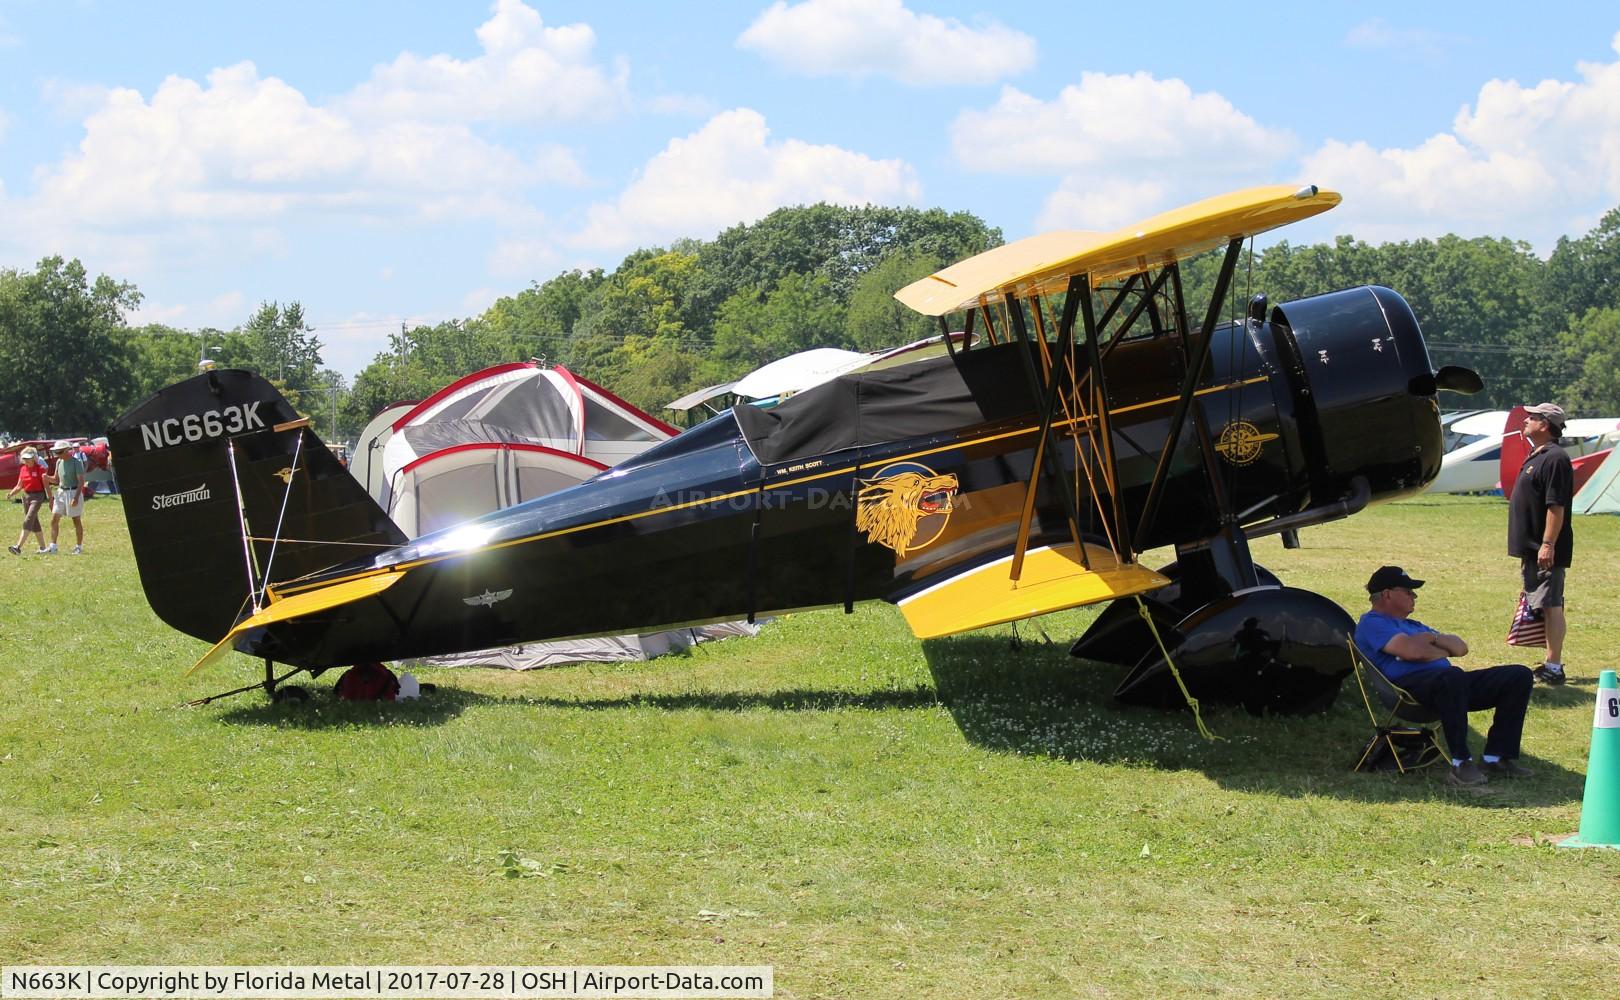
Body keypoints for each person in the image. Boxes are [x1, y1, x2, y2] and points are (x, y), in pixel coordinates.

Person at [1353, 565, 1533, 787]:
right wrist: (1430, 646)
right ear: (1387, 594)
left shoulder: (1413, 625)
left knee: (1518, 676)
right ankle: (1460, 763)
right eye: (1408, 591)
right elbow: (1414, 652)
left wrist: (1429, 640)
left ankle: (1496, 757)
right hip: (1409, 692)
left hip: (1449, 685)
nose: (1414, 596)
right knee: (1452, 675)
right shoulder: (1372, 623)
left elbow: (1460, 648)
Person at [1508, 402, 1574, 685]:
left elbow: (1555, 506)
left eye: (1532, 417)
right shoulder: (1539, 454)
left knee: (1551, 603)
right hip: (1533, 548)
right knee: (1541, 602)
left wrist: (1548, 544)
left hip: (1545, 548)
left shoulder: (1556, 458)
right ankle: (1549, 660)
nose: (1525, 420)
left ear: (1545, 424)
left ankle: (1554, 666)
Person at [6, 446, 50, 554]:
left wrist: (51, 499)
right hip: (26, 497)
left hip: (38, 496)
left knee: (28, 519)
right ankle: (43, 547)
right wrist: (11, 494)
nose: (26, 460)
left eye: (29, 458)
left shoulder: (40, 469)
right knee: (34, 522)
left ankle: (18, 547)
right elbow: (19, 485)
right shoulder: (23, 469)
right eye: (24, 458)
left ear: (34, 458)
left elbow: (46, 486)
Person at [47, 440, 86, 555]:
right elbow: (56, 480)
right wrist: (46, 477)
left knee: (76, 520)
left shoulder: (76, 462)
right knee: (54, 519)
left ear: (66, 451)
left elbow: (81, 482)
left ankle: (79, 547)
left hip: (73, 492)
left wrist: (76, 497)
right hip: (60, 492)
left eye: (59, 452)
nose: (57, 454)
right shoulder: (59, 462)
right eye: (56, 452)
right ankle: (53, 547)